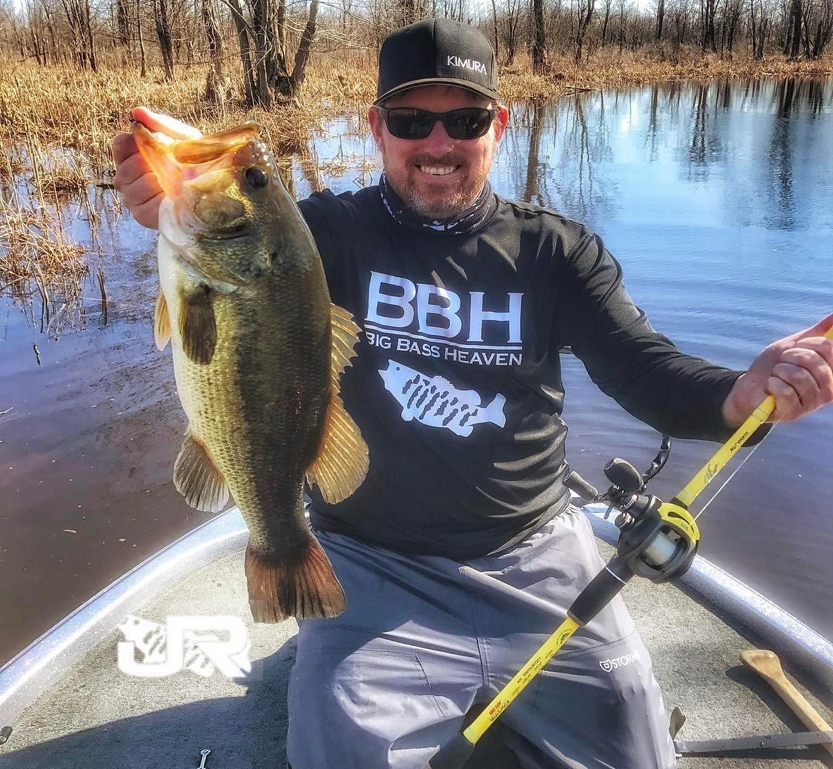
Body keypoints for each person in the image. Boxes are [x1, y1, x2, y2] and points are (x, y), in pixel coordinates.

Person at [113, 18, 833, 769]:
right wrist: (162, 193)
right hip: (372, 566)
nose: (437, 144)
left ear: (499, 124)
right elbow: (236, 264)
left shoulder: (555, 251)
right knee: (341, 746)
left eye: (464, 119)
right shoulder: (323, 236)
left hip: (538, 560)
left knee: (636, 744)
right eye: (409, 120)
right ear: (376, 129)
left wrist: (741, 393)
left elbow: (643, 372)